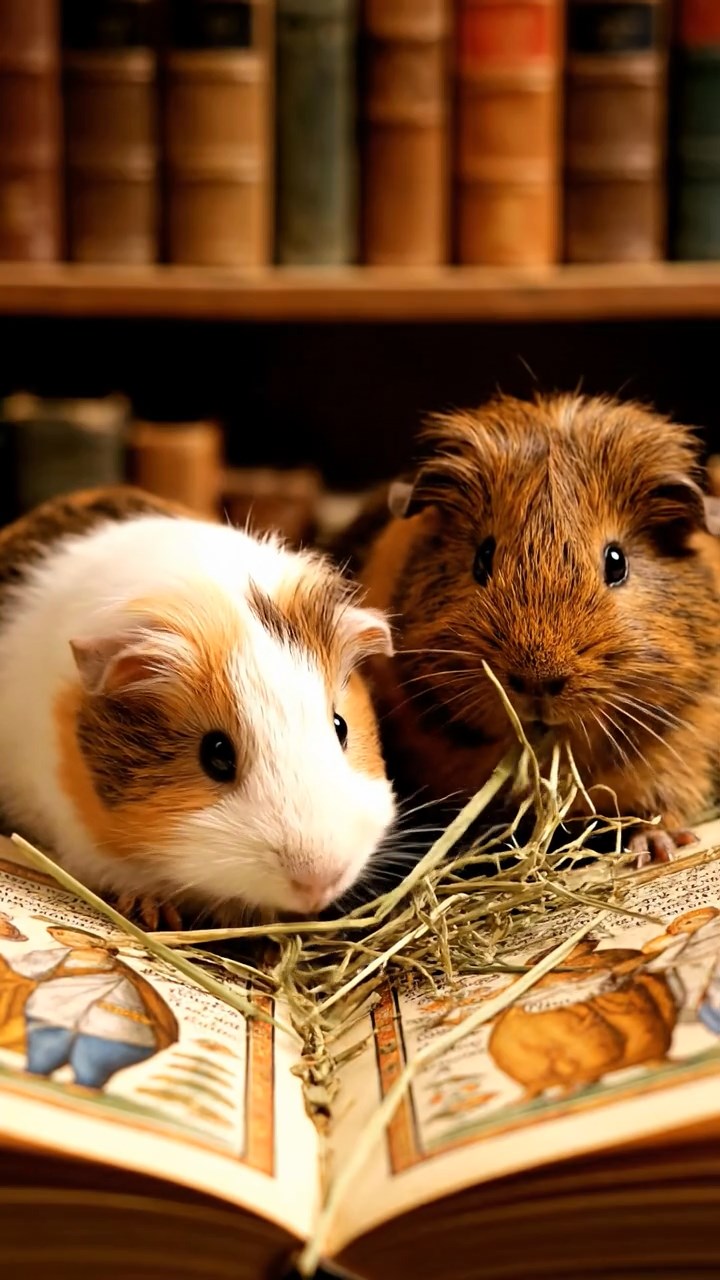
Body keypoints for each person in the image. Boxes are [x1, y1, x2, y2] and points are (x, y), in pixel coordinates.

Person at [0, 925, 178, 1090]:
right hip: (101, 1027)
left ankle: (73, 1078)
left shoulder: (68, 958)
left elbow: (23, 967)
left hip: (102, 1028)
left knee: (81, 1053)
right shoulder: (66, 958)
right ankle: (55, 1074)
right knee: (51, 1047)